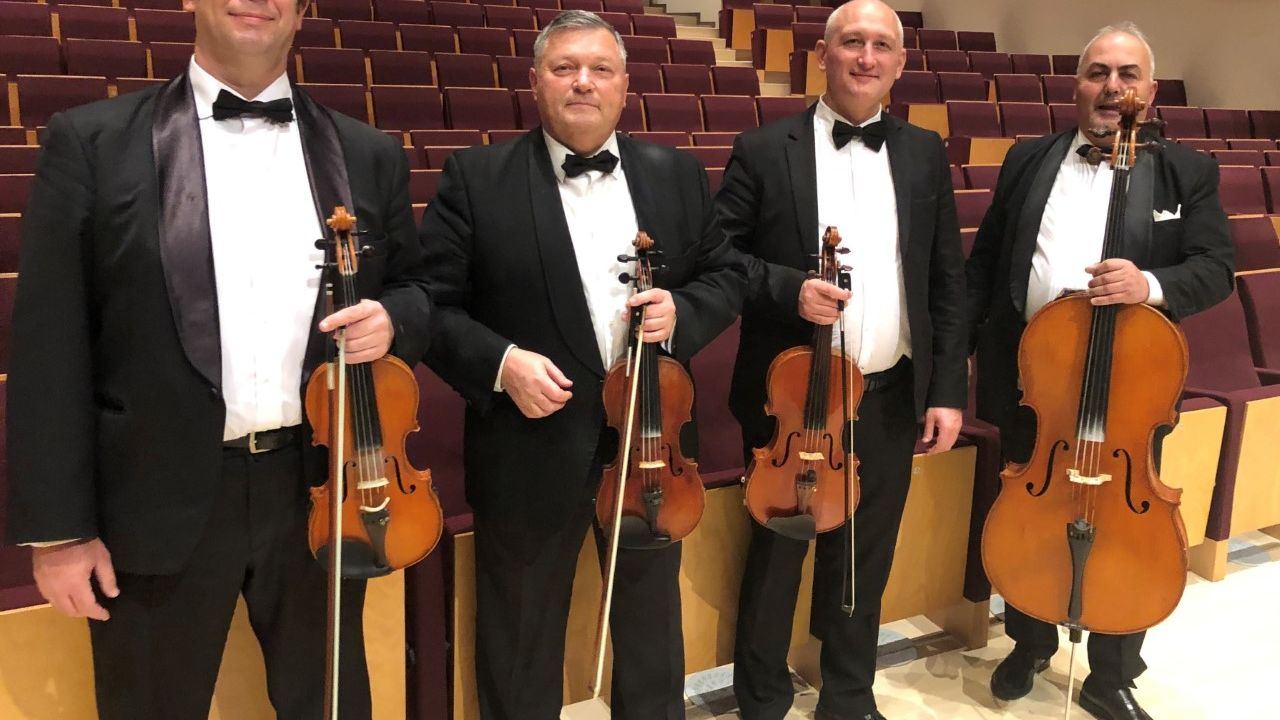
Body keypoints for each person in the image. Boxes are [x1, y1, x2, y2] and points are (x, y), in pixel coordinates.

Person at [3, 1, 432, 717]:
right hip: (155, 497)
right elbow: (50, 344)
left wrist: (395, 319)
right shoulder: (92, 142)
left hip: (321, 489)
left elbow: (417, 289)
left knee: (330, 704)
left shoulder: (368, 152)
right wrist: (60, 532)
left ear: (302, 11)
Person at [418, 10, 746, 720]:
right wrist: (502, 363)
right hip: (527, 447)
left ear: (625, 85)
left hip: (653, 445)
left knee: (651, 630)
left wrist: (683, 312)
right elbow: (430, 307)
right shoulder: (476, 179)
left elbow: (726, 275)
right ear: (535, 82)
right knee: (520, 634)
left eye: (600, 68)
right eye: (564, 67)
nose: (582, 82)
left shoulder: (677, 175)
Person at [965, 22, 1234, 720]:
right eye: (1097, 73)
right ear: (1076, 84)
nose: (1112, 87)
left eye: (1127, 74)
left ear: (1149, 89)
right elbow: (987, 262)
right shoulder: (1028, 158)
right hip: (1037, 382)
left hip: (1130, 395)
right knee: (1031, 517)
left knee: (1123, 528)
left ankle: (1111, 674)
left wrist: (1150, 284)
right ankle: (1029, 643)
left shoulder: (1185, 171)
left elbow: (1216, 268)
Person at [715, 1, 968, 718]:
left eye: (881, 45)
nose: (866, 57)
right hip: (791, 397)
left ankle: (849, 695)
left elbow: (945, 278)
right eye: (851, 42)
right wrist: (789, 289)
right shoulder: (764, 149)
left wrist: (946, 389)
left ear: (900, 63)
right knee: (778, 552)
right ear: (823, 55)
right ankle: (762, 698)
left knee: (864, 554)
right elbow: (720, 257)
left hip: (888, 393)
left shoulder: (924, 152)